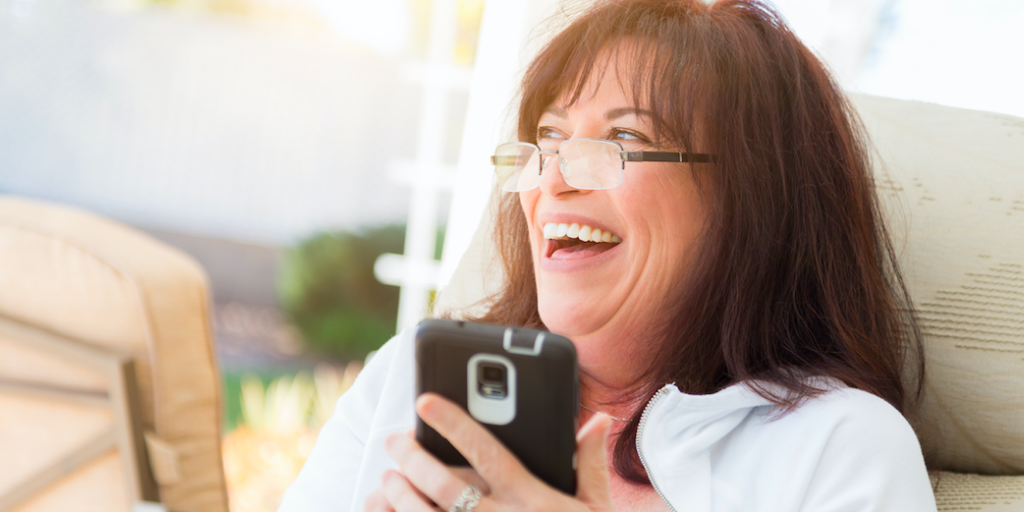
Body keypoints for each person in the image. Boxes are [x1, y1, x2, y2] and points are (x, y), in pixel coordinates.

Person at [279, 0, 937, 510]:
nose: (552, 179)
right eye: (548, 137)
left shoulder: (840, 449)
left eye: (622, 137)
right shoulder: (412, 380)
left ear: (751, 196)